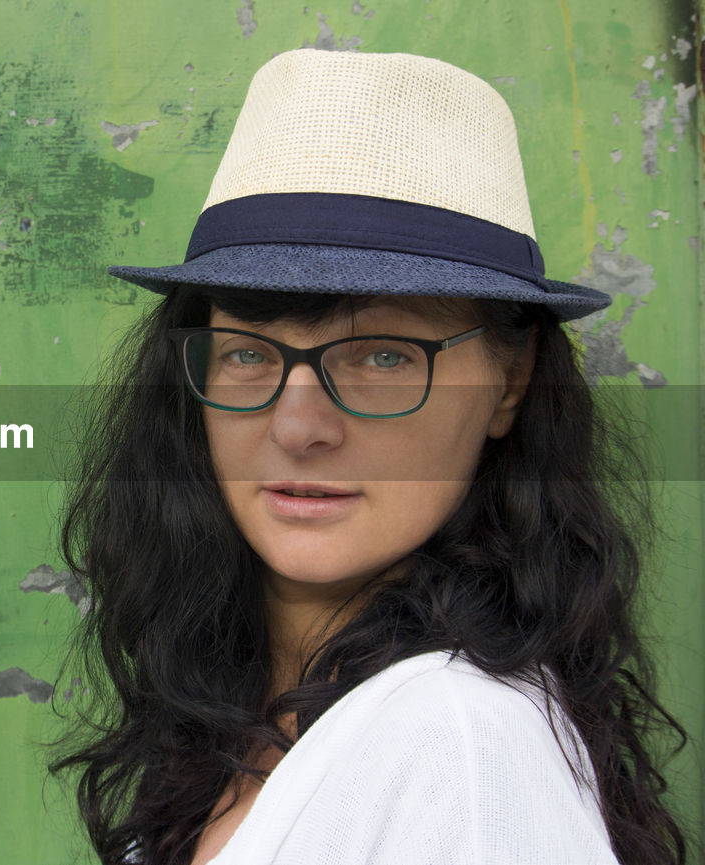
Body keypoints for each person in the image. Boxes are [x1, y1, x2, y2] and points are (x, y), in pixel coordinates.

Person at [50, 49, 689, 865]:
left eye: (383, 356)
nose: (297, 425)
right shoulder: (241, 731)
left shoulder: (456, 742)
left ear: (510, 381)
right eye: (246, 352)